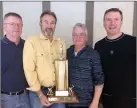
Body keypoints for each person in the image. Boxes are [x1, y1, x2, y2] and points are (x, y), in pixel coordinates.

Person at [23, 10, 66, 108]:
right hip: (37, 92)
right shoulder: (31, 41)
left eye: (52, 23)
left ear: (55, 25)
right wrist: (40, 94)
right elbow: (29, 70)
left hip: (57, 91)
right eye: (45, 22)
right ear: (40, 23)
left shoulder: (61, 43)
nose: (49, 25)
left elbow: (62, 69)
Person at [94, 8, 136, 108]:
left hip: (130, 99)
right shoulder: (98, 45)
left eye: (116, 19)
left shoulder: (133, 42)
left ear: (121, 22)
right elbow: (97, 73)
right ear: (104, 23)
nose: (112, 23)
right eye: (108, 19)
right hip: (107, 98)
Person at [67, 23, 104, 108]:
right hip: (68, 102)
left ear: (86, 37)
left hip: (86, 103)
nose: (78, 38)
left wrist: (95, 102)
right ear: (72, 37)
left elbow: (99, 80)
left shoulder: (93, 55)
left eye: (81, 35)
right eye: (75, 35)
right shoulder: (68, 52)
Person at [1, 12, 30, 108]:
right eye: (12, 24)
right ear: (5, 26)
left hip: (25, 97)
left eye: (19, 24)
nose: (16, 27)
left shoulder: (28, 45)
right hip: (5, 99)